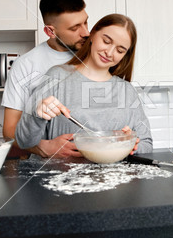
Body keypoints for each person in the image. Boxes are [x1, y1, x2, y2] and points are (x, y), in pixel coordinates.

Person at [16, 14, 153, 155]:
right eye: (106, 41)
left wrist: (130, 144)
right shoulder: (57, 76)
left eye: (120, 50)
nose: (109, 52)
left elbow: (146, 144)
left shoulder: (127, 90)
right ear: (92, 34)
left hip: (112, 176)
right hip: (61, 175)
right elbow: (23, 141)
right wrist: (36, 115)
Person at [2, 0, 90, 158]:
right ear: (50, 31)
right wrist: (44, 147)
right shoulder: (25, 65)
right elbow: (9, 131)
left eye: (86, 22)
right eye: (74, 28)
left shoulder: (96, 55)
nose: (86, 32)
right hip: (44, 169)